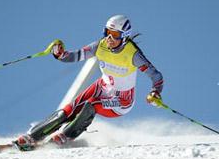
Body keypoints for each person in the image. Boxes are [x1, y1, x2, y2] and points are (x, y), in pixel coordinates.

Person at [15, 15, 164, 150]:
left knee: (91, 105)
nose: (110, 38)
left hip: (121, 101)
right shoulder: (100, 46)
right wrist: (59, 54)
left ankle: (66, 136)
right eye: (107, 32)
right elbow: (73, 56)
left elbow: (156, 76)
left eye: (115, 35)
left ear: (124, 37)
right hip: (101, 87)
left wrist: (155, 92)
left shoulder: (133, 54)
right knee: (67, 110)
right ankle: (33, 136)